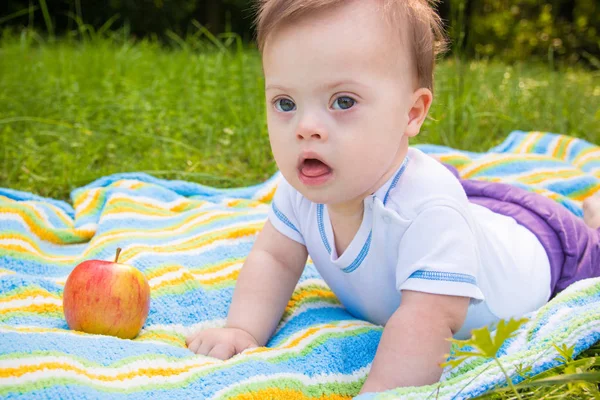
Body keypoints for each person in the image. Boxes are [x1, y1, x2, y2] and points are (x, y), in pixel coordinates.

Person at [187, 0, 600, 393]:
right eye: (285, 102)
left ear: (412, 113)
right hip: (473, 214)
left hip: (544, 248)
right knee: (459, 209)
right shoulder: (300, 192)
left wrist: (382, 393)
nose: (306, 126)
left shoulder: (428, 211)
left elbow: (429, 319)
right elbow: (274, 258)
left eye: (343, 101)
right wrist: (242, 329)